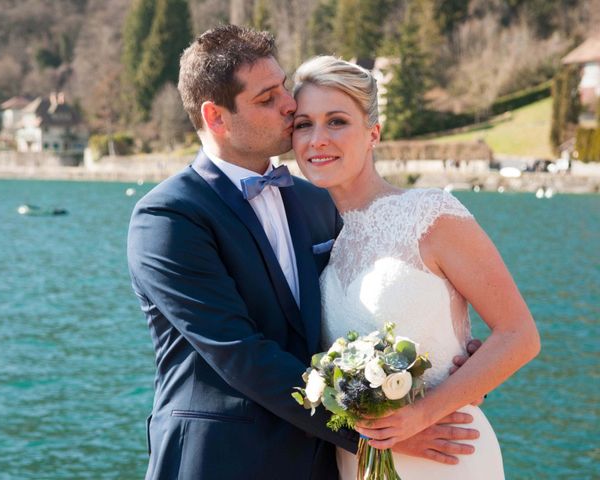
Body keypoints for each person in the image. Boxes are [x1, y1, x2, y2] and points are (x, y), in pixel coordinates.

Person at [128, 26, 481, 480]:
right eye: (267, 97)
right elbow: (241, 354)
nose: (289, 105)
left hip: (322, 463)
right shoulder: (168, 217)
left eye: (283, 87)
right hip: (221, 459)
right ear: (216, 117)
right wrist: (377, 433)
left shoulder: (315, 199)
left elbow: (349, 316)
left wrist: (443, 370)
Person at [291, 55, 541, 479]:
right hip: (356, 463)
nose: (317, 139)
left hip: (448, 452)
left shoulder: (431, 215)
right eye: (303, 124)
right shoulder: (313, 237)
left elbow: (519, 336)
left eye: (336, 121)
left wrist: (421, 414)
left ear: (373, 133)